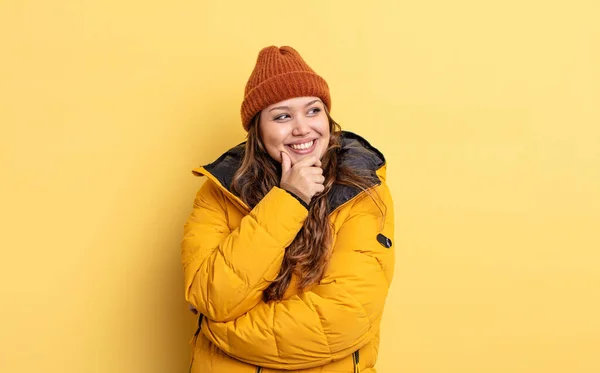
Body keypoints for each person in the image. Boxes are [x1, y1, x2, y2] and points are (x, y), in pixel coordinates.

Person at [181, 45, 395, 373]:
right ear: (257, 129)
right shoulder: (219, 193)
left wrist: (221, 329)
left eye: (313, 111)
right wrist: (289, 199)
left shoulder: (361, 190)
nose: (302, 128)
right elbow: (212, 296)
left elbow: (344, 319)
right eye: (282, 116)